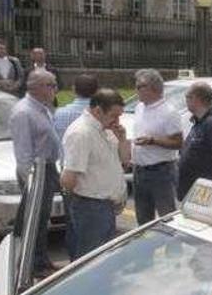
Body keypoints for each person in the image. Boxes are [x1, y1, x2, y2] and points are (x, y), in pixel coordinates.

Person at [61, 89, 130, 258]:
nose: (117, 121)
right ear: (98, 110)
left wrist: (122, 139)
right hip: (90, 208)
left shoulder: (106, 129)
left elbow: (125, 161)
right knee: (89, 261)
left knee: (102, 260)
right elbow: (68, 179)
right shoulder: (82, 133)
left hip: (106, 207)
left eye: (120, 116)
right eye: (114, 115)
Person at [9, 69, 63, 277]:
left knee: (41, 219)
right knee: (33, 219)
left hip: (48, 168)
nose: (55, 89)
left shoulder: (42, 109)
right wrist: (30, 182)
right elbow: (23, 153)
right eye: (51, 85)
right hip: (36, 172)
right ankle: (32, 264)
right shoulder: (24, 112)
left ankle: (41, 260)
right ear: (38, 87)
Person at [53, 74, 100, 259]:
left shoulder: (60, 114)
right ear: (96, 91)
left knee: (72, 224)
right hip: (94, 174)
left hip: (68, 172)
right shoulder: (98, 114)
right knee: (93, 225)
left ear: (73, 89)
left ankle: (74, 261)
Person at [130, 69, 183, 224]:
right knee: (143, 220)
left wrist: (153, 141)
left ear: (153, 88)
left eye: (140, 86)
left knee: (168, 218)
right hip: (139, 170)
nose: (136, 90)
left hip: (161, 172)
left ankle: (173, 249)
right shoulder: (139, 107)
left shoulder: (169, 112)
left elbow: (178, 143)